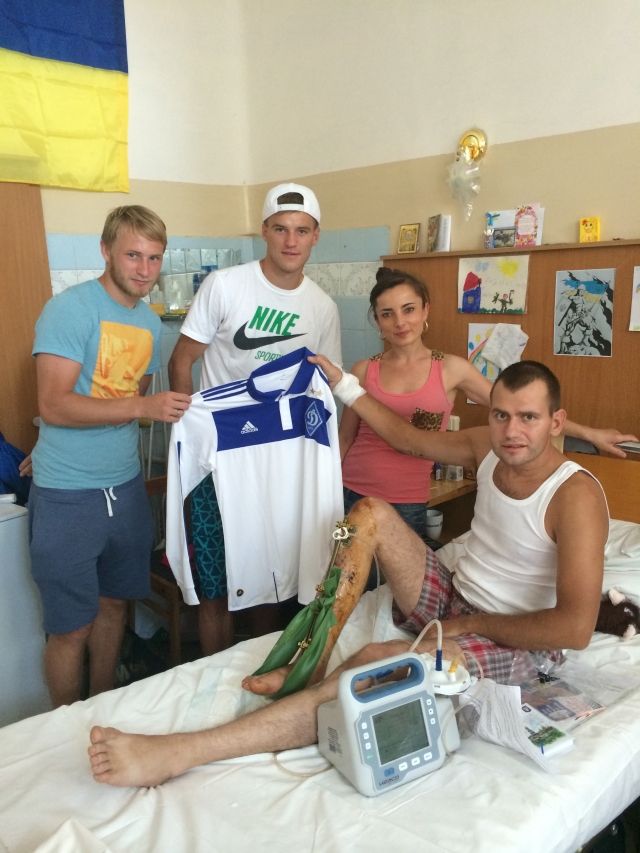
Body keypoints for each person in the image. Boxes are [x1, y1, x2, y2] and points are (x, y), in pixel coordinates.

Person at [89, 359, 610, 788]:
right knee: (369, 513)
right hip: (457, 600)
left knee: (372, 662)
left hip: (516, 640)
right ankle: (313, 658)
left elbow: (574, 629)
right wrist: (344, 384)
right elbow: (408, 439)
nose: (511, 431)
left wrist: (466, 627)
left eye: (528, 418)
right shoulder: (487, 448)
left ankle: (183, 752)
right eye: (501, 415)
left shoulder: (575, 496)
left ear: (556, 422)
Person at [167, 183, 342, 655]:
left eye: (302, 230)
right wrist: (189, 433)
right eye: (281, 229)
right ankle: (213, 677)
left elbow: (324, 390)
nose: (291, 240)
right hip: (220, 453)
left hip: (280, 460)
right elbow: (181, 360)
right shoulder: (225, 286)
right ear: (264, 231)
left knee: (272, 575)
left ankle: (257, 675)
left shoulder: (322, 308)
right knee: (216, 581)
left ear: (316, 236)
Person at [28, 205, 192, 708]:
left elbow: (123, 399)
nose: (144, 269)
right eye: (133, 255)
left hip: (124, 487)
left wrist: (157, 410)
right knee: (70, 627)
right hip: (68, 495)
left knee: (116, 604)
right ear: (106, 251)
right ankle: (64, 723)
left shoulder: (149, 322)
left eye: (154, 258)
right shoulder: (70, 309)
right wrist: (143, 407)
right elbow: (54, 403)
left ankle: (100, 705)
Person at [341, 266, 636, 541]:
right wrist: (327, 490)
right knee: (340, 575)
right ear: (377, 321)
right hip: (350, 489)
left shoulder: (451, 368)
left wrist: (591, 434)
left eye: (409, 309)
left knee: (393, 579)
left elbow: (523, 411)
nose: (400, 322)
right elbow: (345, 438)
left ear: (425, 309)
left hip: (406, 499)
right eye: (387, 314)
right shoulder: (364, 370)